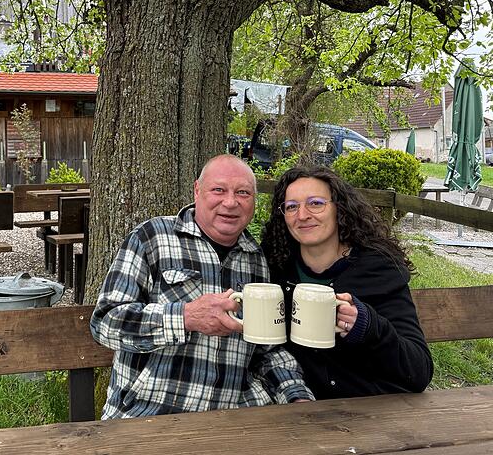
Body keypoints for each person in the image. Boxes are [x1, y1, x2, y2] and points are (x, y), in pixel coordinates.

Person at [90, 154, 313, 419]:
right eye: (218, 190)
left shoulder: (257, 260)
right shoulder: (152, 238)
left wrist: (296, 395)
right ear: (197, 190)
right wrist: (186, 317)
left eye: (243, 193)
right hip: (150, 415)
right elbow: (105, 323)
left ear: (254, 200)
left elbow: (266, 349)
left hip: (233, 417)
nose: (230, 202)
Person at [261, 166, 433, 399]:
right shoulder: (276, 270)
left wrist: (366, 325)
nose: (302, 215)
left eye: (315, 203)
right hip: (303, 406)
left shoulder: (377, 270)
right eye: (291, 207)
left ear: (339, 208)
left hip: (373, 406)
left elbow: (419, 370)